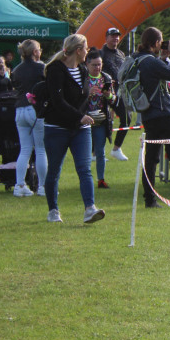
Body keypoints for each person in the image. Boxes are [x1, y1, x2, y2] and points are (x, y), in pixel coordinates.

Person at [41, 34, 105, 224]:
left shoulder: (83, 70)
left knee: (84, 169)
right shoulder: (55, 70)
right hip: (56, 128)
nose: (87, 52)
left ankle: (90, 208)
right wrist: (79, 116)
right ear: (78, 50)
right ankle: (53, 210)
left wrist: (85, 115)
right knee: (54, 170)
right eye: (85, 48)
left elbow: (83, 98)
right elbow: (58, 101)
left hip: (80, 129)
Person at [133, 28, 170, 208]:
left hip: (148, 114)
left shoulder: (137, 59)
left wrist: (164, 58)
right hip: (164, 114)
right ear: (156, 43)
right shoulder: (151, 62)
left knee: (151, 159)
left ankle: (149, 199)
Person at [10, 39, 47, 197]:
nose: (40, 52)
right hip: (34, 109)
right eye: (39, 49)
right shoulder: (42, 67)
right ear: (34, 52)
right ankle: (43, 187)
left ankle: (19, 185)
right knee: (40, 149)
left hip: (19, 110)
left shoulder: (16, 70)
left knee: (24, 149)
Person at [83, 49, 116, 190]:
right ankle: (85, 179)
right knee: (84, 151)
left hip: (101, 120)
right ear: (87, 65)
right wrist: (87, 94)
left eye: (99, 64)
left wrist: (108, 95)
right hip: (85, 119)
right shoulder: (82, 77)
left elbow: (114, 99)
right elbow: (74, 98)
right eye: (94, 65)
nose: (98, 68)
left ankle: (101, 179)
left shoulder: (106, 78)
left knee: (100, 151)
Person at [99, 27, 131, 162]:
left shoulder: (121, 54)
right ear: (106, 38)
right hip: (103, 92)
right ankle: (96, 153)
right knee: (101, 121)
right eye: (112, 36)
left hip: (118, 92)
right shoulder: (100, 53)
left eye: (117, 36)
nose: (115, 38)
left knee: (127, 118)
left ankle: (116, 149)